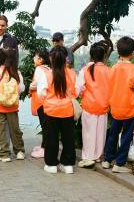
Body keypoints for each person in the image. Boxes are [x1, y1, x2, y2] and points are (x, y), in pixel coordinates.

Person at [37, 46, 76, 174]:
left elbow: (41, 94)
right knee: (68, 138)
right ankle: (68, 164)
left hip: (51, 110)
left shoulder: (47, 74)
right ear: (66, 58)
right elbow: (77, 92)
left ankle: (51, 164)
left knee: (51, 138)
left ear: (50, 58)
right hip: (67, 110)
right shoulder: (72, 73)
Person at [102, 37, 134, 173]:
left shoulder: (113, 68)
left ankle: (107, 160)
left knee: (113, 134)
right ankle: (119, 164)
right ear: (132, 53)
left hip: (115, 107)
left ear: (118, 52)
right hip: (130, 108)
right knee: (126, 136)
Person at [0, 48, 25, 162]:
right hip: (12, 106)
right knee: (15, 129)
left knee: (1, 130)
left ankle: (4, 154)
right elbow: (21, 88)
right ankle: (19, 151)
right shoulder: (16, 72)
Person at [77, 42, 110, 168]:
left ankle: (88, 157)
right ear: (104, 56)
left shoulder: (85, 70)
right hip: (103, 106)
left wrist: (82, 94)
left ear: (91, 55)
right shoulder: (108, 71)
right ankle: (97, 156)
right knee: (100, 134)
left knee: (88, 133)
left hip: (89, 106)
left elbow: (78, 89)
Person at [29, 49, 50, 158]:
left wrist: (29, 87)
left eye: (35, 57)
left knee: (44, 126)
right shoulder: (48, 69)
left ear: (40, 60)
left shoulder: (39, 69)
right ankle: (43, 145)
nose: (34, 58)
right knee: (46, 125)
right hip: (48, 101)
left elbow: (35, 84)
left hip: (40, 101)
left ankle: (45, 149)